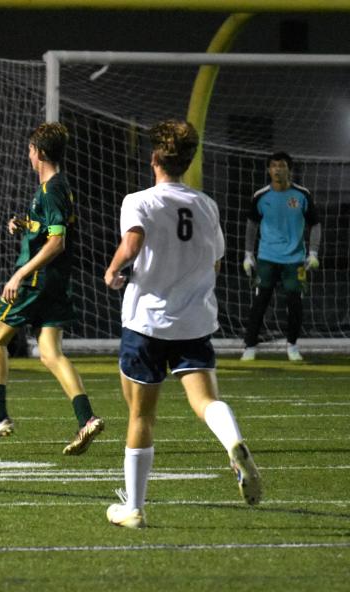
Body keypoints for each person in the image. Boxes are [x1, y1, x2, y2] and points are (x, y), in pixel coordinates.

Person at [103, 119, 262, 529]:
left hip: (147, 324)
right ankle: (233, 443)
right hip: (194, 322)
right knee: (205, 401)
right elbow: (216, 261)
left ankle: (134, 508)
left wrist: (115, 269)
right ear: (187, 162)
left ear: (155, 158)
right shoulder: (207, 205)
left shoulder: (139, 200)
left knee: (141, 417)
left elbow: (133, 242)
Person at [0, 122, 105, 456]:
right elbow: (50, 230)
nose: (27, 155)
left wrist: (19, 275)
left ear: (40, 153)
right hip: (57, 281)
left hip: (37, 280)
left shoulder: (51, 190)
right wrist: (25, 226)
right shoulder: (56, 187)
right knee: (50, 352)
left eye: (30, 149)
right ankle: (86, 419)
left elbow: (57, 242)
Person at [240, 151, 321, 362]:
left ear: (289, 170)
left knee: (295, 304)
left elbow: (315, 224)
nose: (277, 169)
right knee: (260, 302)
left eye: (282, 166)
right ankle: (250, 346)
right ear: (268, 170)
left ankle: (292, 346)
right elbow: (251, 225)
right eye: (274, 166)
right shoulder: (261, 196)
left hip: (295, 261)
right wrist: (248, 255)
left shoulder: (302, 195)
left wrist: (313, 252)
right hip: (267, 258)